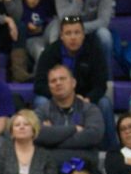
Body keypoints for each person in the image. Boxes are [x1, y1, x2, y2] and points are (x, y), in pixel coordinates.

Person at [34, 16, 114, 150]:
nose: (73, 37)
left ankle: (109, 150)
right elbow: (39, 85)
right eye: (68, 33)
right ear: (61, 36)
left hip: (86, 99)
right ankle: (44, 146)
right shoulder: (50, 53)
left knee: (104, 103)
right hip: (57, 99)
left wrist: (87, 99)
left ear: (83, 35)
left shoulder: (94, 51)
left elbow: (100, 85)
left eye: (77, 33)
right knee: (40, 101)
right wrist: (61, 97)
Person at [33, 64, 104, 170]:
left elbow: (93, 135)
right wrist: (74, 129)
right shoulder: (41, 111)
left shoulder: (90, 109)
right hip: (50, 169)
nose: (58, 83)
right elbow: (37, 134)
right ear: (49, 86)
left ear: (73, 83)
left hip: (84, 168)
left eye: (62, 79)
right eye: (53, 81)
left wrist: (53, 138)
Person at [45, 0, 114, 73]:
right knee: (55, 32)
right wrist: (77, 1)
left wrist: (80, 29)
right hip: (68, 29)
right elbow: (64, 19)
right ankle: (56, 74)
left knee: (104, 36)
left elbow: (103, 22)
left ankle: (107, 79)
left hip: (92, 30)